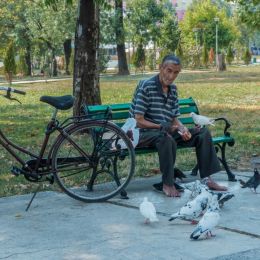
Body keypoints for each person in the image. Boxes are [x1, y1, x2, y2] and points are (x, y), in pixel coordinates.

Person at [129, 54, 228, 197]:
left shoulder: (173, 89)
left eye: (176, 72)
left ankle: (207, 179)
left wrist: (182, 128)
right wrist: (161, 127)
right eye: (169, 70)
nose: (171, 76)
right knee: (166, 138)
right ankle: (168, 183)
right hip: (142, 133)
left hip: (164, 131)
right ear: (161, 68)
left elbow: (174, 119)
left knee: (202, 133)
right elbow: (138, 120)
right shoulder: (146, 86)